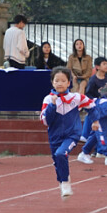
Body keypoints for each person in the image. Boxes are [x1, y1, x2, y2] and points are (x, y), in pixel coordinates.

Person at [40, 67, 96, 199]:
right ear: (52, 83)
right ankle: (62, 180)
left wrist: (96, 121)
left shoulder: (76, 97)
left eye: (63, 80)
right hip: (54, 136)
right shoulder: (48, 99)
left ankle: (65, 182)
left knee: (61, 153)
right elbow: (45, 121)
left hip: (72, 134)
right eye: (56, 80)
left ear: (69, 83)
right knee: (57, 160)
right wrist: (53, 106)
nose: (60, 83)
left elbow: (91, 105)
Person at [76, 85, 107, 166]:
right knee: (103, 135)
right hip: (99, 117)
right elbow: (97, 111)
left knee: (95, 136)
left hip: (103, 117)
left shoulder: (105, 100)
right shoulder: (101, 101)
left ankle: (84, 152)